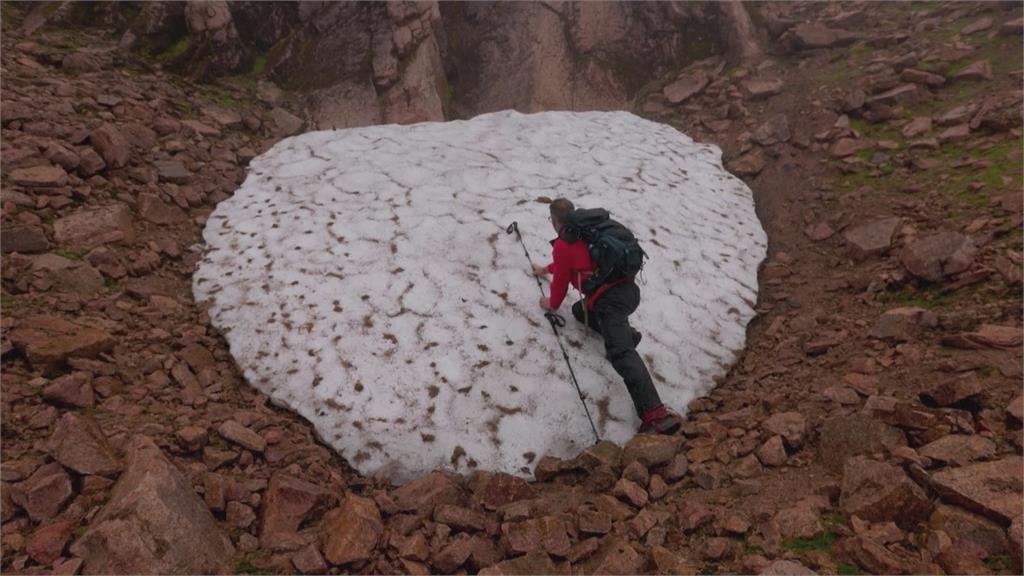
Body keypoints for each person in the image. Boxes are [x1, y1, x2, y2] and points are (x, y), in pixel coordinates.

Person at [534, 198, 682, 435]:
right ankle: (626, 334)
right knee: (578, 311)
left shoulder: (565, 243)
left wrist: (551, 303)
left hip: (610, 302)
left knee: (621, 354)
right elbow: (570, 263)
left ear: (554, 221)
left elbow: (561, 282)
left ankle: (655, 415)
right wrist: (546, 269)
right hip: (628, 292)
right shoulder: (586, 231)